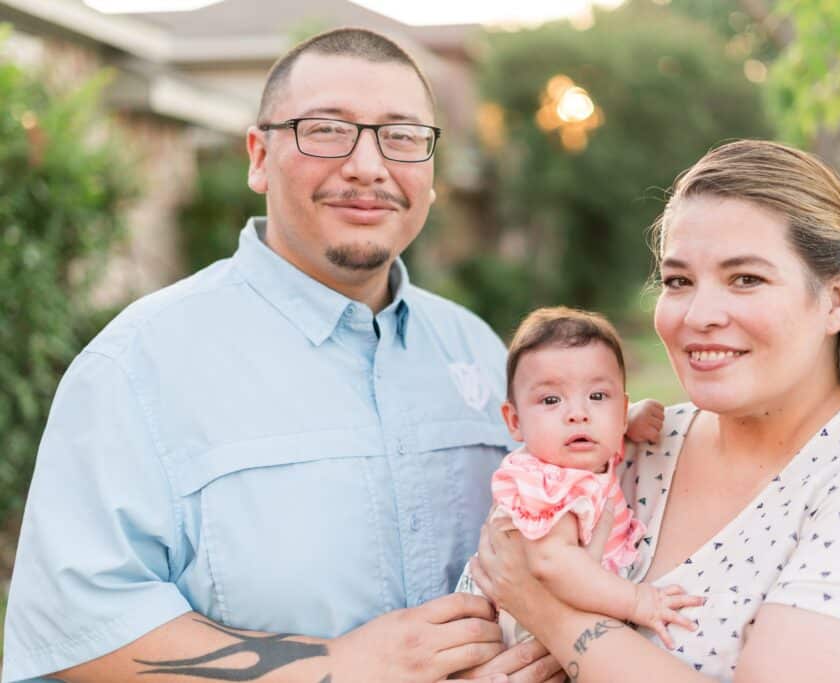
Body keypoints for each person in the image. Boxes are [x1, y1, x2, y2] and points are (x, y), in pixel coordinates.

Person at [3, 28, 569, 683]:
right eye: (326, 129)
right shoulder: (136, 366)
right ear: (258, 157)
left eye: (402, 136)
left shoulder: (478, 350)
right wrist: (341, 663)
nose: (367, 165)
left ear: (432, 171)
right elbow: (75, 634)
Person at [470, 139, 840, 682]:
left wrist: (555, 616)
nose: (700, 313)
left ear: (836, 299)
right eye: (679, 281)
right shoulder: (637, 444)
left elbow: (528, 584)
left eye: (746, 279)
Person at [456, 307, 701, 649]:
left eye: (598, 396)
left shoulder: (583, 451)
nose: (578, 414)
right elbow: (552, 563)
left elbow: (599, 425)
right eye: (551, 399)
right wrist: (637, 602)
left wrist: (630, 419)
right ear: (514, 422)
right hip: (512, 629)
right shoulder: (546, 482)